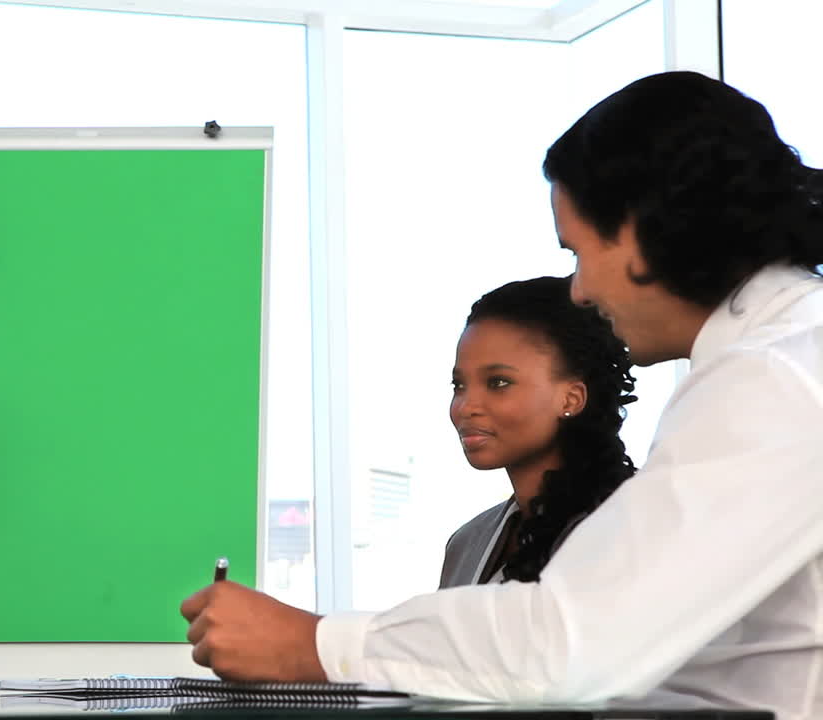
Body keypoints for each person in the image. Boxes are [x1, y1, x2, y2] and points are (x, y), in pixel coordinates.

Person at [180, 70, 823, 718]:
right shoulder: (791, 354)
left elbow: (571, 642)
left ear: (642, 233)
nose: (578, 291)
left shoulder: (773, 379)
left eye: (577, 251)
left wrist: (312, 644)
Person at [441, 276, 636, 588]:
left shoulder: (631, 523)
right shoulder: (465, 544)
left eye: (498, 382)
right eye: (459, 385)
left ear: (572, 398)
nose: (465, 406)